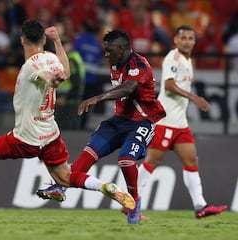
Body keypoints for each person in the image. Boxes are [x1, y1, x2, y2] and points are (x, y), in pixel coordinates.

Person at [0, 19, 136, 213]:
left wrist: (51, 79)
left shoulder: (32, 65)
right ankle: (106, 186)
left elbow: (44, 75)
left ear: (22, 40)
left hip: (25, 139)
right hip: (50, 135)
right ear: (44, 40)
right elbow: (64, 72)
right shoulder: (51, 57)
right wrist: (58, 43)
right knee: (65, 178)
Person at [36, 29, 166, 224]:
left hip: (142, 123)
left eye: (109, 50)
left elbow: (129, 88)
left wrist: (98, 97)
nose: (106, 54)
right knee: (89, 152)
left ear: (122, 49)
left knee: (125, 159)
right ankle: (60, 187)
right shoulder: (116, 63)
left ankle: (134, 206)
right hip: (118, 121)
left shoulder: (139, 64)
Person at [137, 25, 227, 219]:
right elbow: (169, 85)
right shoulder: (173, 57)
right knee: (152, 161)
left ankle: (200, 206)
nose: (187, 41)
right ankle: (131, 203)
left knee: (191, 160)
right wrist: (195, 98)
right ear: (176, 40)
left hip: (180, 123)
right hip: (165, 121)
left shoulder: (188, 60)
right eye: (183, 38)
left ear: (195, 41)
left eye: (190, 38)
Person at [55, 37, 85, 129]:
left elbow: (76, 82)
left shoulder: (71, 59)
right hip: (66, 100)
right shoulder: (69, 58)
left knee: (68, 131)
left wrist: (65, 98)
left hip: (69, 102)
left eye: (64, 45)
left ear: (69, 46)